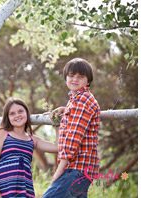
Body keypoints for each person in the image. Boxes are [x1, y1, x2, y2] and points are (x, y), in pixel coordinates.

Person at [44, 58, 101, 197]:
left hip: (76, 168)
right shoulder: (76, 100)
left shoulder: (82, 100)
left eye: (80, 76)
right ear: (66, 78)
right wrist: (65, 110)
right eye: (71, 75)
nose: (75, 79)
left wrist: (59, 170)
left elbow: (73, 139)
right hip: (81, 169)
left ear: (87, 81)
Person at [0, 99, 57, 198]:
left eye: (20, 111)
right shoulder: (2, 133)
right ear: (8, 117)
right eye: (12, 113)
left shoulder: (32, 139)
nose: (17, 115)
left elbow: (57, 147)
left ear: (26, 113)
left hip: (25, 189)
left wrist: (57, 124)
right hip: (5, 188)